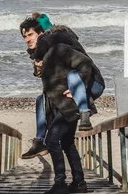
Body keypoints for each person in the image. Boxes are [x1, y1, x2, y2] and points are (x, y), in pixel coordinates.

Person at [19, 13, 105, 159]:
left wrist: (78, 89)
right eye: (24, 37)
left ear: (42, 34)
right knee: (42, 101)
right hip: (71, 91)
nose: (27, 39)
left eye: (30, 35)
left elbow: (84, 66)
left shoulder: (58, 43)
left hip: (91, 83)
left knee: (56, 139)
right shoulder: (43, 52)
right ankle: (40, 142)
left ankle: (85, 113)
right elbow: (51, 81)